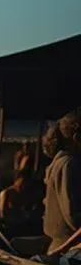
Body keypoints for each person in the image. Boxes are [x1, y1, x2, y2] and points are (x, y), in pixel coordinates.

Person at [40, 109, 81, 256]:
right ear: (76, 137)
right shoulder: (69, 164)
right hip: (69, 250)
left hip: (60, 246)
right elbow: (73, 216)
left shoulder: (60, 162)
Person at [0, 147, 44, 237]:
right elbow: (4, 216)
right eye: (26, 164)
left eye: (29, 164)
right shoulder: (8, 193)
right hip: (12, 227)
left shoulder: (35, 189)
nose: (27, 167)